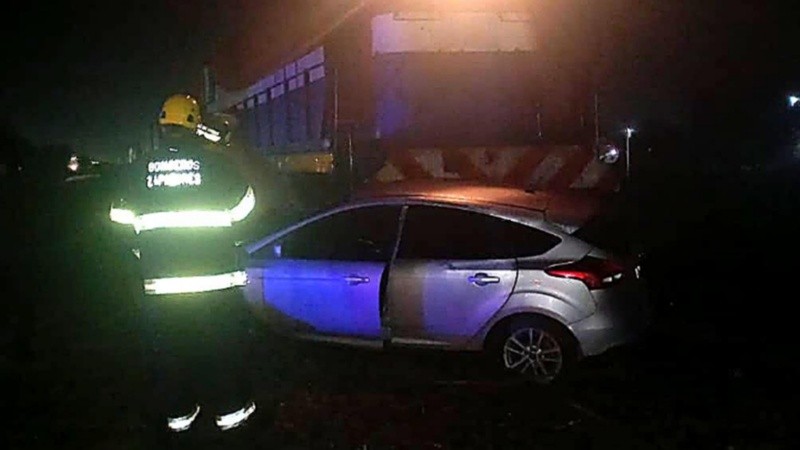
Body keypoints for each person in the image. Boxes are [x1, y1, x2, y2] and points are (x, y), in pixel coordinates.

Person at [110, 94, 257, 442]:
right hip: (217, 289)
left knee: (170, 356)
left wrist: (142, 251)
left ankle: (179, 420)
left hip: (162, 292)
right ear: (195, 125)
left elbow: (118, 223)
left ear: (162, 127)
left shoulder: (136, 171)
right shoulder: (219, 167)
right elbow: (247, 214)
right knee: (222, 350)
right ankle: (231, 417)